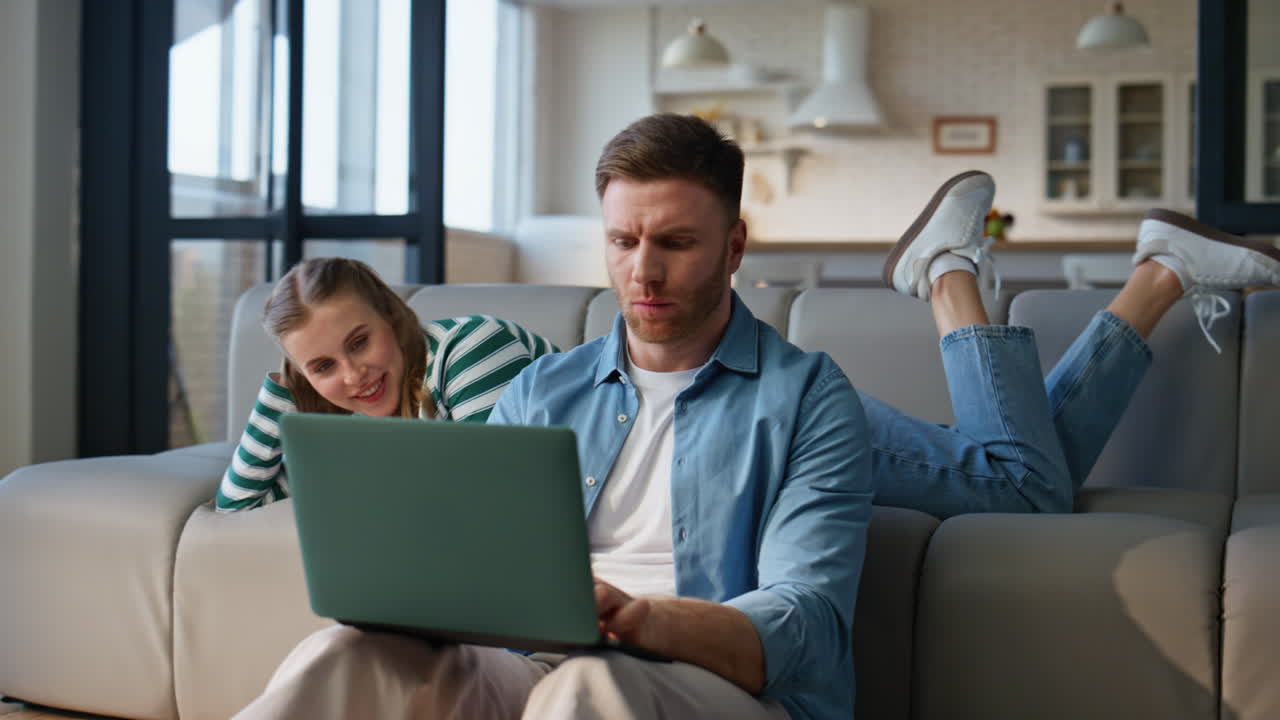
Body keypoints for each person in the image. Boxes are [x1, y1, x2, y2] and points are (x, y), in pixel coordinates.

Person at [232, 113, 1280, 720]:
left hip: (683, 676)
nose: (640, 270)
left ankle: (956, 271)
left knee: (586, 693)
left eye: (675, 244)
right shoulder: (540, 393)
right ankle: (1089, 277)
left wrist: (644, 622)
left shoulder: (801, 395)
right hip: (537, 666)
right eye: (621, 240)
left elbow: (809, 624)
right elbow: (474, 569)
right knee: (337, 656)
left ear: (735, 247)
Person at [214, 257, 559, 512]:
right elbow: (236, 506)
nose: (352, 376)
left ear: (389, 316)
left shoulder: (472, 346)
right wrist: (286, 389)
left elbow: (493, 495)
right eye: (323, 366)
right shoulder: (347, 425)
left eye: (359, 342)